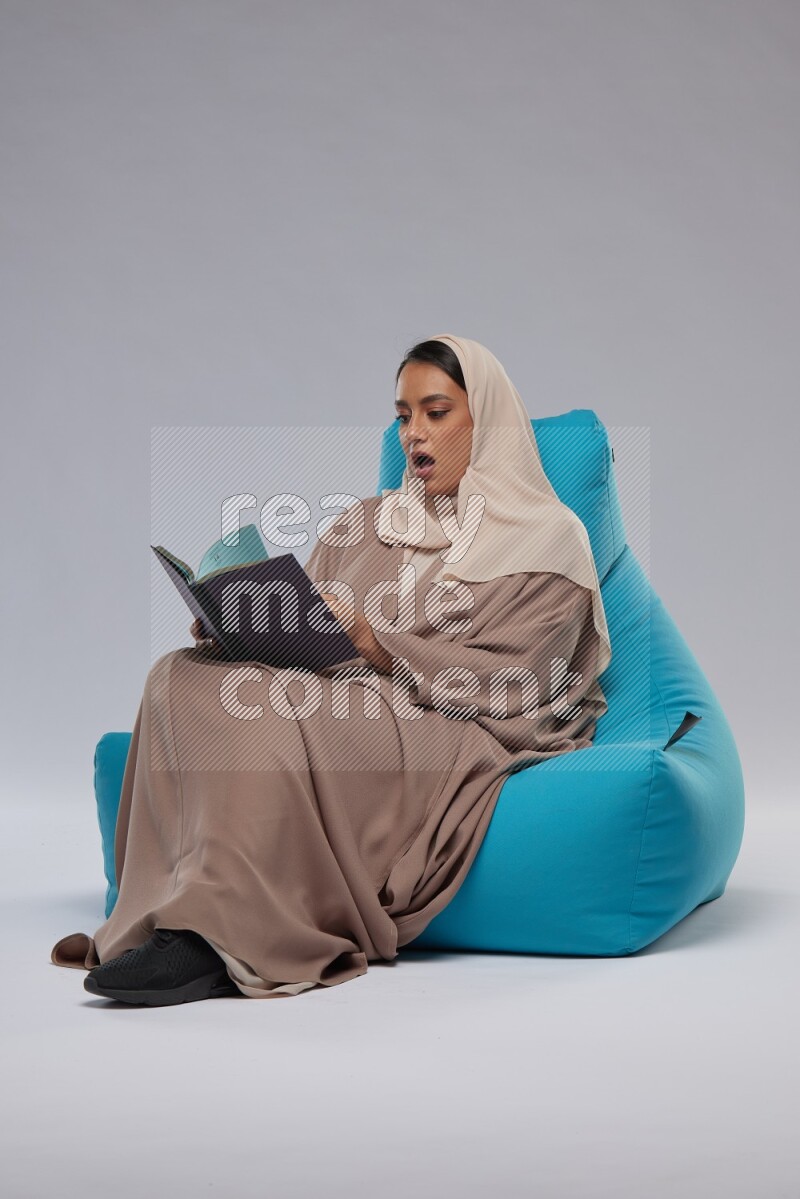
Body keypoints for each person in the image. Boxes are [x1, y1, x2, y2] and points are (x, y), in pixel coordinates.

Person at [50, 332, 612, 1004]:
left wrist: (383, 647)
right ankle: (161, 911)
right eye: (404, 416)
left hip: (454, 723)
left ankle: (217, 936)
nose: (413, 434)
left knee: (263, 703)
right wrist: (241, 628)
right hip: (348, 695)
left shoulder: (549, 536)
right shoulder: (364, 523)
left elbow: (522, 678)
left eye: (436, 412)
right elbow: (311, 630)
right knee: (180, 673)